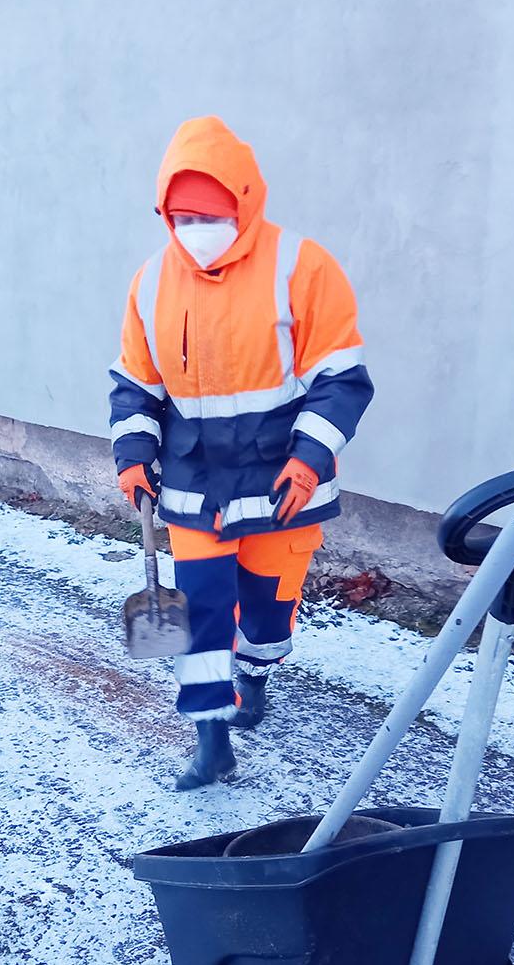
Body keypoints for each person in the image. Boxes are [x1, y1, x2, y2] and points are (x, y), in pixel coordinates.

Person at [108, 116, 374, 790]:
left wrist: (311, 457)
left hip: (284, 483)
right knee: (200, 618)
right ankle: (210, 740)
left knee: (265, 612)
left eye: (210, 212)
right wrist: (134, 453)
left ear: (244, 200)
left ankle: (253, 675)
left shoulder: (302, 267)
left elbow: (341, 376)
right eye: (182, 214)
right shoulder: (150, 284)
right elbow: (136, 382)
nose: (197, 226)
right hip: (197, 489)